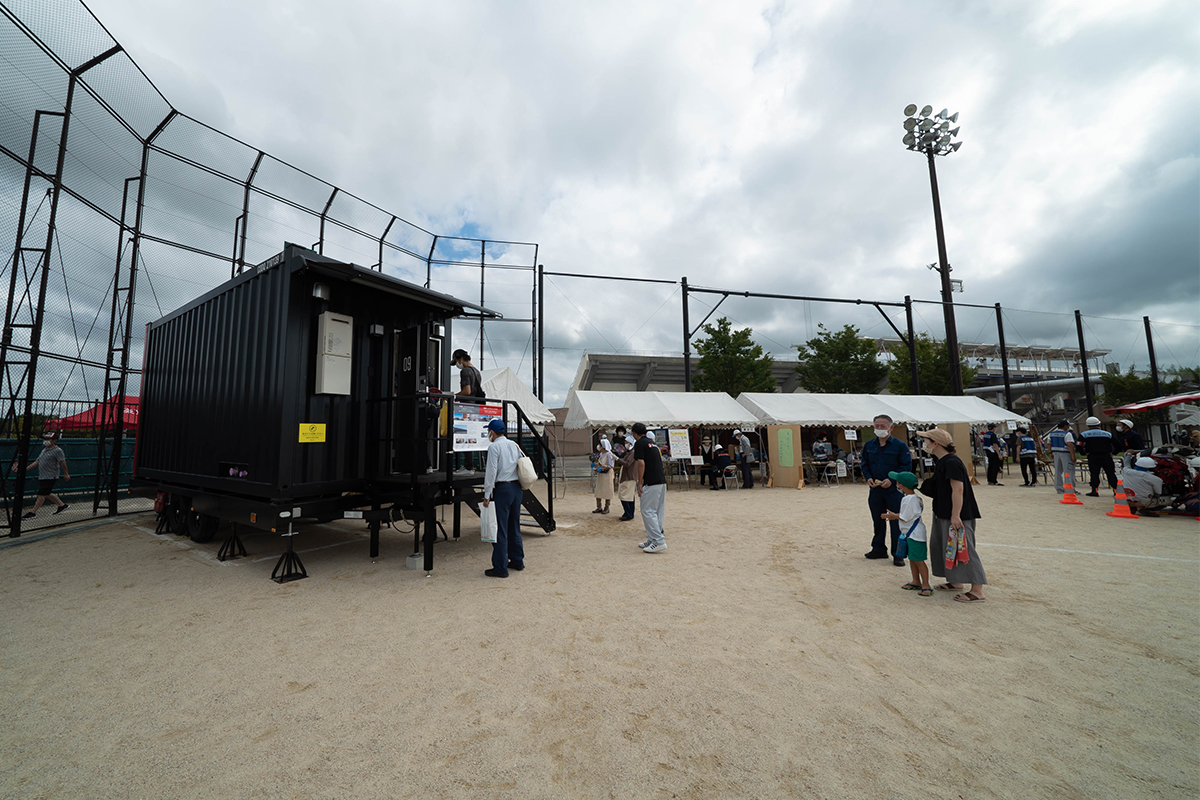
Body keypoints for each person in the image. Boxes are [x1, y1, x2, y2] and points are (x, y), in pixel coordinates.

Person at [915, 428, 988, 603]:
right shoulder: (941, 461)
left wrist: (956, 515)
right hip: (943, 511)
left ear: (936, 443)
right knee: (943, 546)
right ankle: (955, 580)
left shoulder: (951, 462)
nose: (924, 443)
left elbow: (958, 489)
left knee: (964, 548)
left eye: (926, 440)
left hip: (957, 513)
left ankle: (977, 590)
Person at [860, 414, 912, 566]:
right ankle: (878, 549)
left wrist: (893, 480)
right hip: (875, 490)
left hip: (894, 490)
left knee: (896, 521)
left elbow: (906, 466)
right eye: (877, 426)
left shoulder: (900, 446)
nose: (879, 429)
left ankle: (898, 553)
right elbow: (865, 463)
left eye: (883, 426)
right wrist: (868, 477)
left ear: (891, 427)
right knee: (878, 519)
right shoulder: (869, 445)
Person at [480, 418, 524, 578]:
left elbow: (491, 472)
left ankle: (500, 567)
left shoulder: (494, 447)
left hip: (503, 489)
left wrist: (487, 494)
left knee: (499, 528)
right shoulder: (514, 444)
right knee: (514, 525)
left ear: (492, 432)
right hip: (516, 487)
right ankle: (517, 560)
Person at [881, 471, 931, 597]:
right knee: (913, 559)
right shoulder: (914, 498)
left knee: (919, 560)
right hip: (913, 533)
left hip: (914, 534)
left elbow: (906, 517)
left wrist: (893, 516)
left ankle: (926, 584)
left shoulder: (908, 499)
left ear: (901, 485)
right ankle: (916, 581)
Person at [13, 431, 71, 518]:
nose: (45, 441)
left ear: (54, 440)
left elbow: (62, 462)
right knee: (47, 493)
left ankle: (32, 512)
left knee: (41, 494)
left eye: (48, 439)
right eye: (45, 439)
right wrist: (26, 469)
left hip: (51, 476)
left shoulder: (57, 450)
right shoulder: (44, 450)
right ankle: (62, 505)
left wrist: (66, 473)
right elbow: (38, 461)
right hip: (43, 476)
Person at [632, 422, 667, 553]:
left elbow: (641, 463)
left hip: (651, 481)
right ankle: (653, 538)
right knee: (657, 511)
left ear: (635, 433)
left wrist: (639, 482)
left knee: (647, 511)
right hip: (661, 480)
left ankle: (658, 540)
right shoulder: (653, 444)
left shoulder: (639, 444)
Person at [1079, 416, 1118, 497]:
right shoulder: (1107, 434)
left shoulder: (1084, 434)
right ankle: (1116, 490)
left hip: (1093, 456)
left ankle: (1095, 491)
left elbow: (1079, 445)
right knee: (1110, 473)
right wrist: (1114, 452)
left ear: (1088, 425)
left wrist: (1083, 453)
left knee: (1094, 473)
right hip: (1106, 456)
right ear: (1099, 424)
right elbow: (1118, 444)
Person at [1044, 420, 1077, 494]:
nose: (1068, 427)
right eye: (1067, 425)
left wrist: (1050, 452)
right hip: (1065, 453)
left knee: (1058, 472)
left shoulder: (1051, 434)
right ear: (1065, 426)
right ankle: (1070, 489)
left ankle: (1059, 489)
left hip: (1055, 453)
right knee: (1068, 471)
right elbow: (1069, 444)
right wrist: (1073, 455)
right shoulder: (1067, 434)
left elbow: (1049, 443)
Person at [616, 434, 638, 520]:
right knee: (629, 496)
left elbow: (627, 464)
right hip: (629, 476)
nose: (625, 444)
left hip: (629, 477)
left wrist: (617, 459)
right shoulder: (630, 452)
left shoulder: (633, 453)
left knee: (625, 496)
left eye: (627, 442)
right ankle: (629, 513)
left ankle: (628, 513)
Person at [593, 437, 615, 515]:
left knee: (607, 491)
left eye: (600, 445)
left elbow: (610, 466)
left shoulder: (609, 455)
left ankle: (607, 507)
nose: (599, 446)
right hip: (601, 475)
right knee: (598, 490)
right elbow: (600, 463)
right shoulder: (601, 454)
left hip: (607, 475)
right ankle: (599, 507)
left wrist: (602, 469)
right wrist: (596, 465)